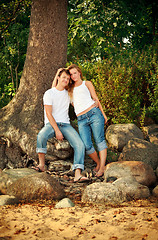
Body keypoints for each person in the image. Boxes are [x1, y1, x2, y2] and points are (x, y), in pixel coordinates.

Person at [34, 68, 90, 183]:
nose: (66, 80)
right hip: (51, 124)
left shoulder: (69, 93)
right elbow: (48, 114)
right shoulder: (49, 93)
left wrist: (92, 106)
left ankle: (77, 174)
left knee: (79, 144)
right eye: (64, 77)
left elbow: (78, 104)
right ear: (58, 78)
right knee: (41, 136)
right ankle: (41, 165)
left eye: (68, 79)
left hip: (65, 125)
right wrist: (56, 131)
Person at [67, 64, 108, 177]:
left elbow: (95, 99)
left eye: (75, 73)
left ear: (79, 72)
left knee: (99, 140)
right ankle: (99, 163)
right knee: (86, 145)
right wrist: (58, 74)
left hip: (94, 114)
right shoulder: (69, 89)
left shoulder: (87, 83)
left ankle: (102, 167)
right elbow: (55, 87)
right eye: (71, 74)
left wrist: (103, 114)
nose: (73, 75)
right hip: (81, 119)